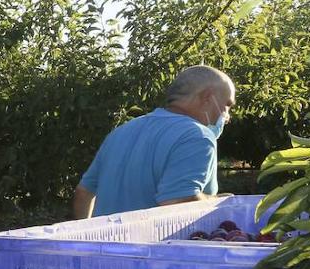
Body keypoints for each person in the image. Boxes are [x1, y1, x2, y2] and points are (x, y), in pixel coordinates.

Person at [72, 65, 236, 219]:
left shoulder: (122, 131)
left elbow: (83, 193)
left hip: (105, 247)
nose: (227, 116)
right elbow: (177, 201)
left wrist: (85, 240)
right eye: (227, 105)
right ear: (207, 97)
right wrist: (217, 202)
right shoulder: (198, 136)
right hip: (154, 247)